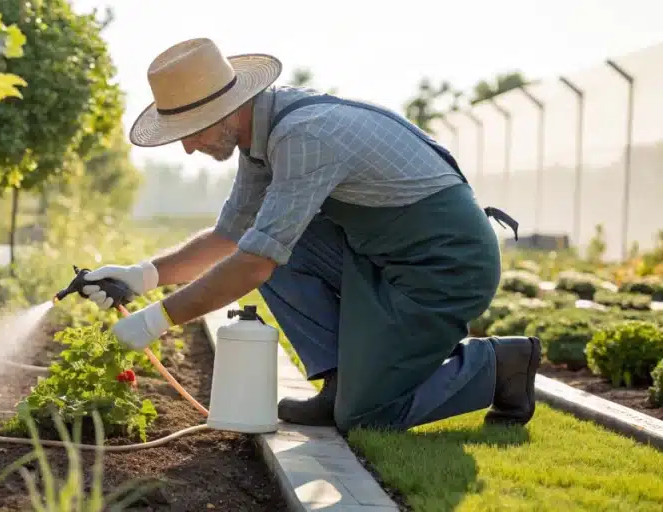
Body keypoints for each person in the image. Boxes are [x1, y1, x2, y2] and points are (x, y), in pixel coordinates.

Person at [80, 37, 541, 433]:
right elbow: (231, 235)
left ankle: (500, 366)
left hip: (444, 268)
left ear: (226, 111)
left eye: (190, 130)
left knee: (367, 415)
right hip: (379, 257)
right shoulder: (260, 137)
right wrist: (141, 276)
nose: (186, 146)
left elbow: (255, 263)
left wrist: (154, 321)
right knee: (268, 241)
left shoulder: (305, 137)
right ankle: (340, 381)